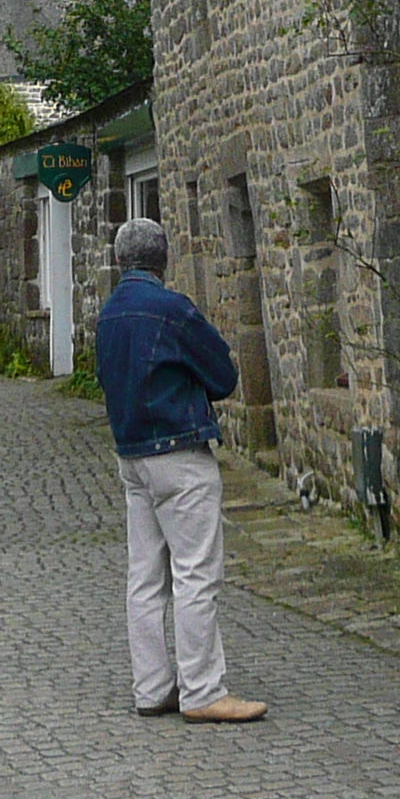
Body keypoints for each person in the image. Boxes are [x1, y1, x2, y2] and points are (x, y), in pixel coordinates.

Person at [95, 219, 262, 723]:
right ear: (163, 260)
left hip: (131, 454)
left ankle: (151, 687)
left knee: (144, 576)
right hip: (178, 451)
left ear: (121, 260)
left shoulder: (108, 315)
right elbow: (224, 374)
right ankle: (203, 689)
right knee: (195, 573)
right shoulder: (172, 310)